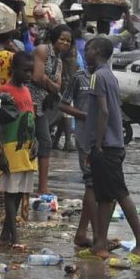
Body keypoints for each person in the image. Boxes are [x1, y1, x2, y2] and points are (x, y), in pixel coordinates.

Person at [84, 37, 140, 259]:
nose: (85, 53)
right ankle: (100, 243)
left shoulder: (97, 77)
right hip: (113, 144)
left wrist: (98, 143)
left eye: (87, 49)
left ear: (96, 51)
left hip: (107, 145)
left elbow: (102, 111)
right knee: (105, 196)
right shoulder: (109, 76)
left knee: (120, 193)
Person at [0, 51, 37, 247]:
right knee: (10, 194)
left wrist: (35, 141)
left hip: (27, 149)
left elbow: (30, 118)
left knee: (21, 192)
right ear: (14, 69)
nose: (29, 75)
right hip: (11, 148)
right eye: (25, 71)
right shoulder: (4, 91)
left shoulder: (27, 91)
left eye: (31, 71)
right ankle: (15, 236)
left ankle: (5, 235)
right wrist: (0, 151)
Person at [59, 60, 97, 248]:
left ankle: (85, 232)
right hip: (84, 137)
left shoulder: (107, 78)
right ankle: (93, 235)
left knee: (96, 186)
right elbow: (63, 104)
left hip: (102, 138)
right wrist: (83, 115)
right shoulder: (79, 78)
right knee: (91, 184)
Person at [28, 24, 68, 195]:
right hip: (28, 104)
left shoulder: (59, 62)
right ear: (54, 38)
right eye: (62, 39)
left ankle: (42, 188)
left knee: (45, 142)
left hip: (42, 107)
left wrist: (46, 80)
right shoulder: (42, 50)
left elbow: (57, 87)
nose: (65, 43)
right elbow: (36, 77)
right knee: (25, 144)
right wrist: (48, 82)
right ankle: (23, 186)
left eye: (68, 41)